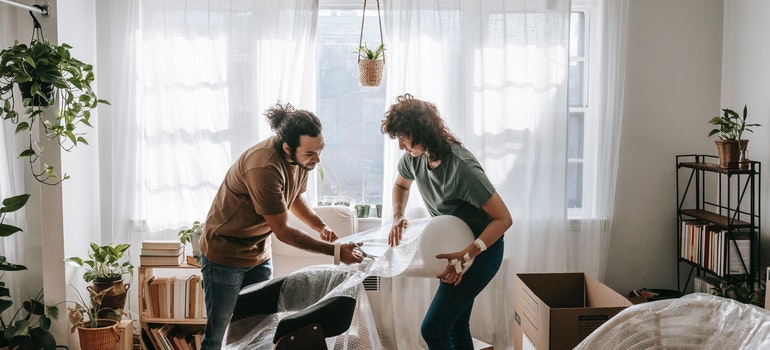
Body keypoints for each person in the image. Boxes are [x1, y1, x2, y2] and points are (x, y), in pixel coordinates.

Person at [198, 102, 364, 349]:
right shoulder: (263, 166)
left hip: (258, 254)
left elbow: (294, 196)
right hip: (225, 255)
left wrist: (320, 226)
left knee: (259, 331)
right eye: (310, 153)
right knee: (220, 334)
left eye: (320, 150)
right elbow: (283, 231)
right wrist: (337, 252)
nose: (317, 159)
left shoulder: (302, 160)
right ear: (287, 147)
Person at [381, 93, 512, 349]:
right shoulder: (414, 158)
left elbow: (503, 219)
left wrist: (468, 255)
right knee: (455, 324)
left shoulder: (462, 168)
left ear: (420, 132)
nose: (400, 146)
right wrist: (398, 215)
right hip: (456, 247)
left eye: (403, 138)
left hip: (484, 249)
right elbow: (401, 185)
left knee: (434, 328)